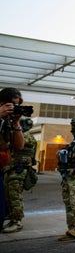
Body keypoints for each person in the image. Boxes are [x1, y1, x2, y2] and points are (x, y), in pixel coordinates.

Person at [3, 117, 37, 234]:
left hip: (18, 168)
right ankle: (13, 218)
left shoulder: (25, 136)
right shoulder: (29, 136)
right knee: (10, 194)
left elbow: (13, 144)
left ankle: (17, 221)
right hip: (14, 167)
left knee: (14, 196)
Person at [0, 88, 26, 226]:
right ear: (1, 103)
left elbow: (19, 146)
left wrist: (16, 123)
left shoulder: (8, 121)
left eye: (17, 106)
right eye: (12, 105)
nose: (15, 109)